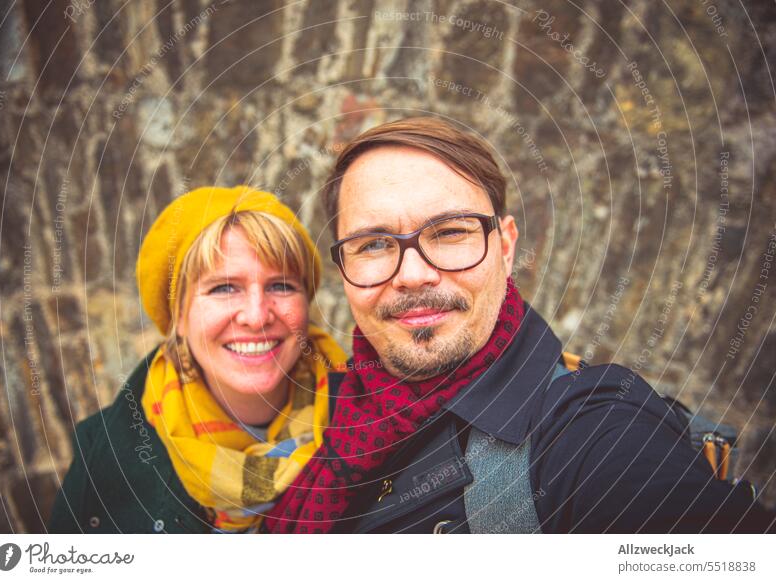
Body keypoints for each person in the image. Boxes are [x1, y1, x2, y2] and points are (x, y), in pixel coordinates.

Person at [263, 117, 775, 533]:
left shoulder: (588, 430)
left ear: (505, 248)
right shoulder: (314, 410)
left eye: (449, 232)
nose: (413, 275)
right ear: (344, 271)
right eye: (373, 244)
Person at [48, 185, 347, 533]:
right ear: (178, 317)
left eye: (281, 286)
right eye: (223, 288)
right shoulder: (103, 456)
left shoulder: (372, 415)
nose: (256, 316)